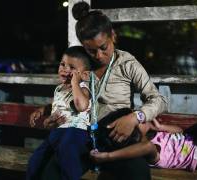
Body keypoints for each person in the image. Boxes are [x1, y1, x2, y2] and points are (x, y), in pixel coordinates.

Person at [42, 1, 168, 180]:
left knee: (138, 172)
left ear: (113, 36)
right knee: (51, 171)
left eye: (103, 47)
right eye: (91, 51)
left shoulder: (127, 63)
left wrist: (134, 117)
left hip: (115, 136)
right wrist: (55, 116)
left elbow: (159, 100)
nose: (99, 56)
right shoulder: (81, 64)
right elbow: (67, 97)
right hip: (82, 136)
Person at [90, 97, 197, 178]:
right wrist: (108, 156)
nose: (142, 117)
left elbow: (179, 132)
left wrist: (162, 127)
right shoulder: (149, 150)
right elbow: (146, 147)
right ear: (132, 134)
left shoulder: (156, 135)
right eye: (138, 120)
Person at [26, 46, 92, 180]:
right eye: (62, 64)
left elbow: (81, 105)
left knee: (67, 156)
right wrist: (42, 110)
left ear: (84, 74)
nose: (64, 69)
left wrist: (75, 83)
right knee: (35, 160)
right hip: (57, 133)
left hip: (76, 134)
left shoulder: (83, 89)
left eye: (72, 68)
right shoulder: (59, 89)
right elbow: (57, 106)